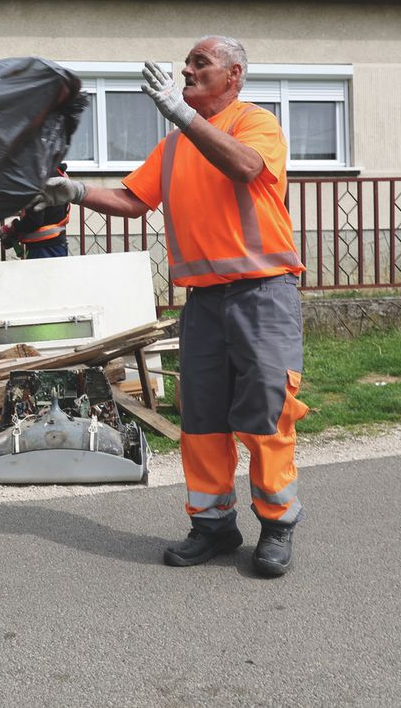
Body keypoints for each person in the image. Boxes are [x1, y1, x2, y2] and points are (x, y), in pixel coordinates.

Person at [33, 36, 307, 577]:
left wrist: (181, 114)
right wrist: (78, 193)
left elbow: (247, 168)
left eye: (199, 63)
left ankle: (276, 525)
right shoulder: (178, 143)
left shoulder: (255, 124)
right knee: (202, 419)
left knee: (267, 413)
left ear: (233, 76)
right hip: (204, 300)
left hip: (262, 293)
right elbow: (136, 200)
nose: (185, 69)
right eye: (186, 63)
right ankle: (213, 525)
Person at [1, 165, 72, 259]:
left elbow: (35, 221)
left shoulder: (37, 177)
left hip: (42, 250)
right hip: (57, 246)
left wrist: (14, 227)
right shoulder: (58, 172)